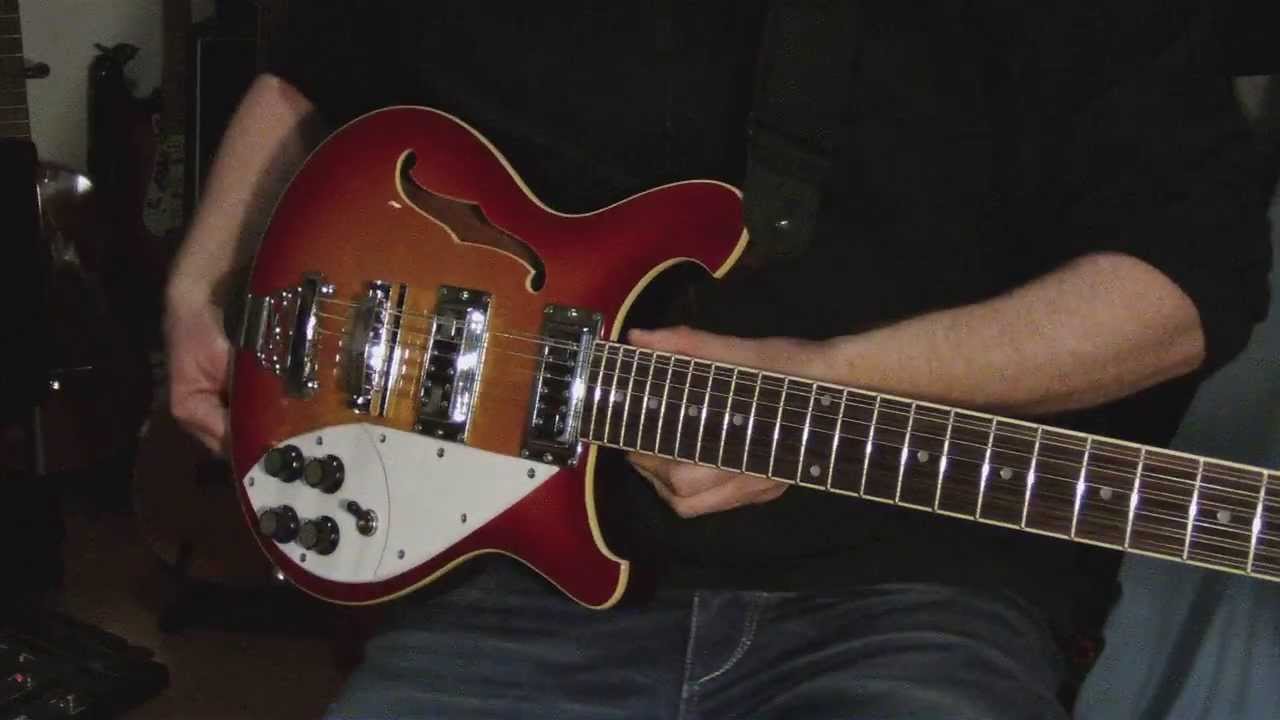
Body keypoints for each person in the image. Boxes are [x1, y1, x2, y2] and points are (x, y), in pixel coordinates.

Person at [164, 2, 1275, 717]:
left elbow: (1183, 291)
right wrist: (200, 281)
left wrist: (830, 378)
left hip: (910, 588)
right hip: (510, 580)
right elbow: (310, 68)